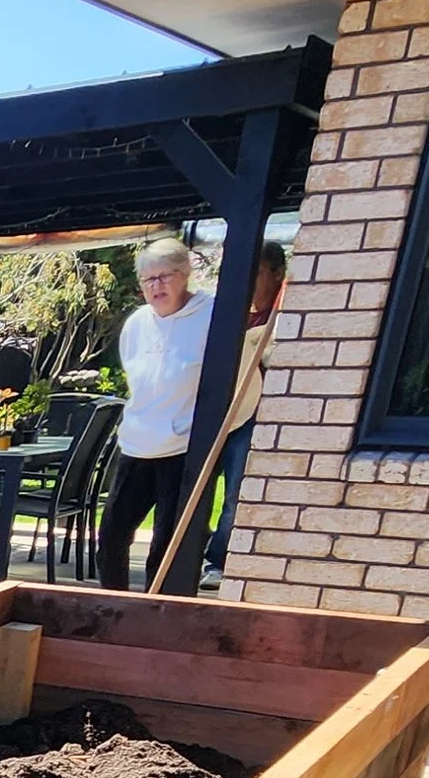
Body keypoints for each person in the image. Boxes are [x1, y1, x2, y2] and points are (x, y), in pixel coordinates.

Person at [95, 238, 209, 590]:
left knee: (167, 545)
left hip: (184, 446)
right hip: (138, 444)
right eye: (149, 280)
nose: (157, 286)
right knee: (112, 534)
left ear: (185, 274)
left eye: (165, 276)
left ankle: (158, 612)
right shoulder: (136, 324)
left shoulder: (212, 316)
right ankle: (112, 606)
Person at [201, 240, 290, 590]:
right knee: (199, 485)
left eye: (257, 273)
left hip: (252, 415)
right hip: (218, 412)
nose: (248, 281)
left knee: (236, 491)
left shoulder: (284, 319)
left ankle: (219, 560)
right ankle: (190, 551)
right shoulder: (230, 314)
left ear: (278, 274)